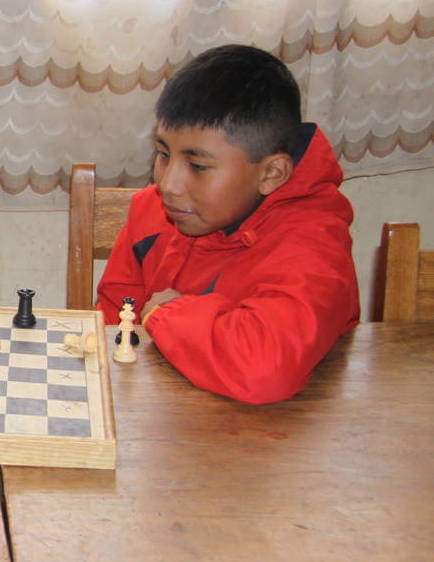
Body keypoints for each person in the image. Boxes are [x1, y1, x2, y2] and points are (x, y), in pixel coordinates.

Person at [96, 44, 359, 404]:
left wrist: (166, 313)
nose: (167, 184)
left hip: (273, 443)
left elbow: (264, 368)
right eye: (163, 154)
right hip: (165, 424)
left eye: (198, 166)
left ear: (271, 173)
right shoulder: (152, 211)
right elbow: (113, 321)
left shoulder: (312, 241)